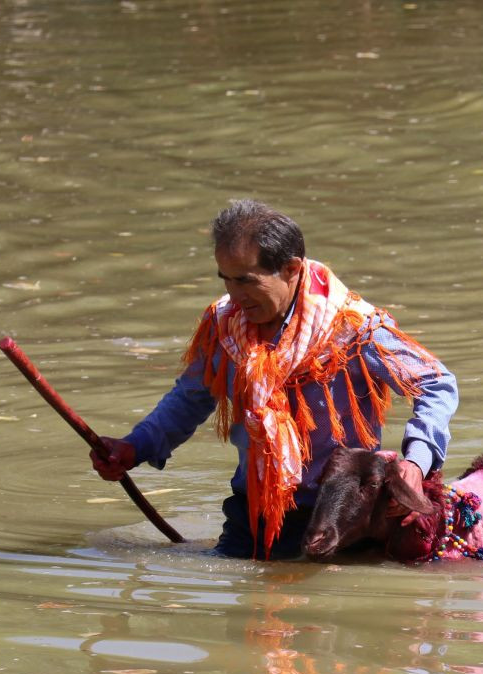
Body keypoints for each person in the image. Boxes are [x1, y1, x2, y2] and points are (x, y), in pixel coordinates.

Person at [91, 199, 458, 559]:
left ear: (292, 269)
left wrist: (415, 462)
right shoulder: (224, 327)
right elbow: (189, 400)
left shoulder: (354, 328)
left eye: (246, 281)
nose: (234, 295)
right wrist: (133, 448)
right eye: (226, 280)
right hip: (254, 509)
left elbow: (436, 384)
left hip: (340, 518)